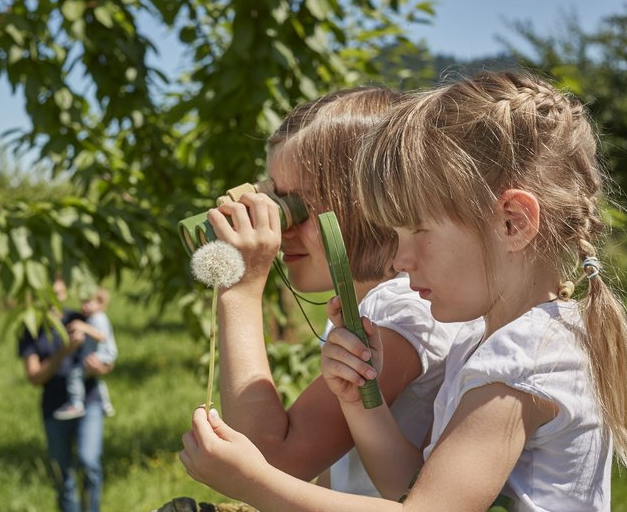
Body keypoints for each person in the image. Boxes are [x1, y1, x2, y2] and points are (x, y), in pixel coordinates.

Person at [179, 71, 627, 511]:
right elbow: (407, 487)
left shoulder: (525, 355)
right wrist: (360, 401)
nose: (399, 258)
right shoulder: (488, 340)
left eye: (418, 230)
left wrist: (256, 483)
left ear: (512, 222)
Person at [203, 86, 467, 493]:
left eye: (296, 207)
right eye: (273, 199)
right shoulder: (361, 308)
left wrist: (239, 290)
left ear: (368, 204)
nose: (281, 229)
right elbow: (334, 472)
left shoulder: (403, 312)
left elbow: (270, 460)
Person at [19, 278, 118, 512]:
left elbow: (107, 357)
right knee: (63, 475)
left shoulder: (79, 319)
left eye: (60, 292)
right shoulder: (31, 328)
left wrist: (100, 368)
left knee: (89, 462)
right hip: (55, 406)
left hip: (89, 400)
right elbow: (34, 377)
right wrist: (65, 351)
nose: (55, 298)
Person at [55, 287, 118, 420]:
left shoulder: (98, 318)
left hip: (103, 354)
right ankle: (105, 404)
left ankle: (76, 403)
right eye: (82, 302)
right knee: (92, 379)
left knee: (75, 374)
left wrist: (83, 327)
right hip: (99, 354)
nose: (83, 306)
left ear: (100, 303)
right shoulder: (92, 318)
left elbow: (101, 336)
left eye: (87, 302)